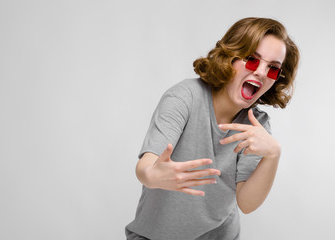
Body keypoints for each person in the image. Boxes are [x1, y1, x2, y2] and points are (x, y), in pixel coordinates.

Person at [126, 17, 300, 240]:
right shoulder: (185, 96)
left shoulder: (257, 125)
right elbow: (145, 167)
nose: (261, 73)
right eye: (252, 60)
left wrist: (273, 155)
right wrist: (152, 175)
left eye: (273, 69)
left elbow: (246, 203)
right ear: (230, 57)